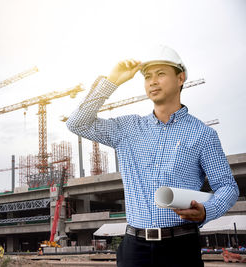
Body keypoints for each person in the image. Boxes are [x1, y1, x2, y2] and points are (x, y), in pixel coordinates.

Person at [66, 45, 239, 267]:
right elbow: (77, 123)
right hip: (133, 249)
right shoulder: (127, 129)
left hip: (181, 248)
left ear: (180, 78)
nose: (152, 81)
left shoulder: (203, 134)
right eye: (147, 76)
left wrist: (207, 211)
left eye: (160, 74)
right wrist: (111, 81)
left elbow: (227, 186)